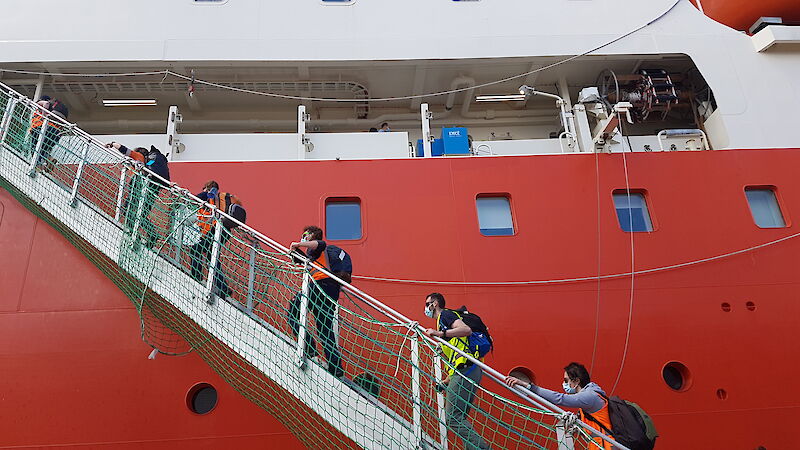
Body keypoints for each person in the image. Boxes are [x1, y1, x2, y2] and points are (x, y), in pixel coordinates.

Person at [422, 293, 491, 450]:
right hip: (468, 370)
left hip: (466, 370)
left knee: (453, 417)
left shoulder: (445, 315)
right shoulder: (443, 323)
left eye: (427, 304)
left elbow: (466, 330)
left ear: (435, 303)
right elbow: (457, 357)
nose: (426, 308)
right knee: (459, 417)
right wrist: (446, 381)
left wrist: (440, 334)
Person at [506, 362, 613, 450]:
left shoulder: (589, 396)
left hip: (608, 446)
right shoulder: (590, 395)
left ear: (576, 381)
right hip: (599, 445)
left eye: (566, 380)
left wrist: (528, 386)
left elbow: (560, 399)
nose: (564, 384)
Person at [288, 226, 345, 378]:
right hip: (330, 290)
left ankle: (310, 349)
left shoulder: (317, 246)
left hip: (319, 286)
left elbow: (320, 244)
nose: (303, 236)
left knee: (293, 311)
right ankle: (336, 368)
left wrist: (298, 244)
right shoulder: (315, 256)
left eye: (305, 234)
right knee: (324, 330)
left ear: (312, 235)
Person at [189, 180, 241, 302]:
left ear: (207, 188)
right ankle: (223, 289)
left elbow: (196, 199)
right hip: (225, 231)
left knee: (195, 250)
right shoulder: (223, 198)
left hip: (217, 230)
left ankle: (196, 277)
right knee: (211, 258)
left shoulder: (210, 195)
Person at [105, 142, 165, 247]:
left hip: (139, 191)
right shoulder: (145, 163)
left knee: (129, 212)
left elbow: (126, 151)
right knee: (138, 214)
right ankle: (149, 235)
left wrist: (113, 144)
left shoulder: (139, 157)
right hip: (149, 190)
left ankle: (140, 234)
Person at [29, 96, 68, 172]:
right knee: (42, 150)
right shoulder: (51, 110)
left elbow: (46, 103)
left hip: (40, 129)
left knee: (35, 149)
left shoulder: (40, 105)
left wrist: (43, 116)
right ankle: (49, 159)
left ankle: (38, 168)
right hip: (55, 133)